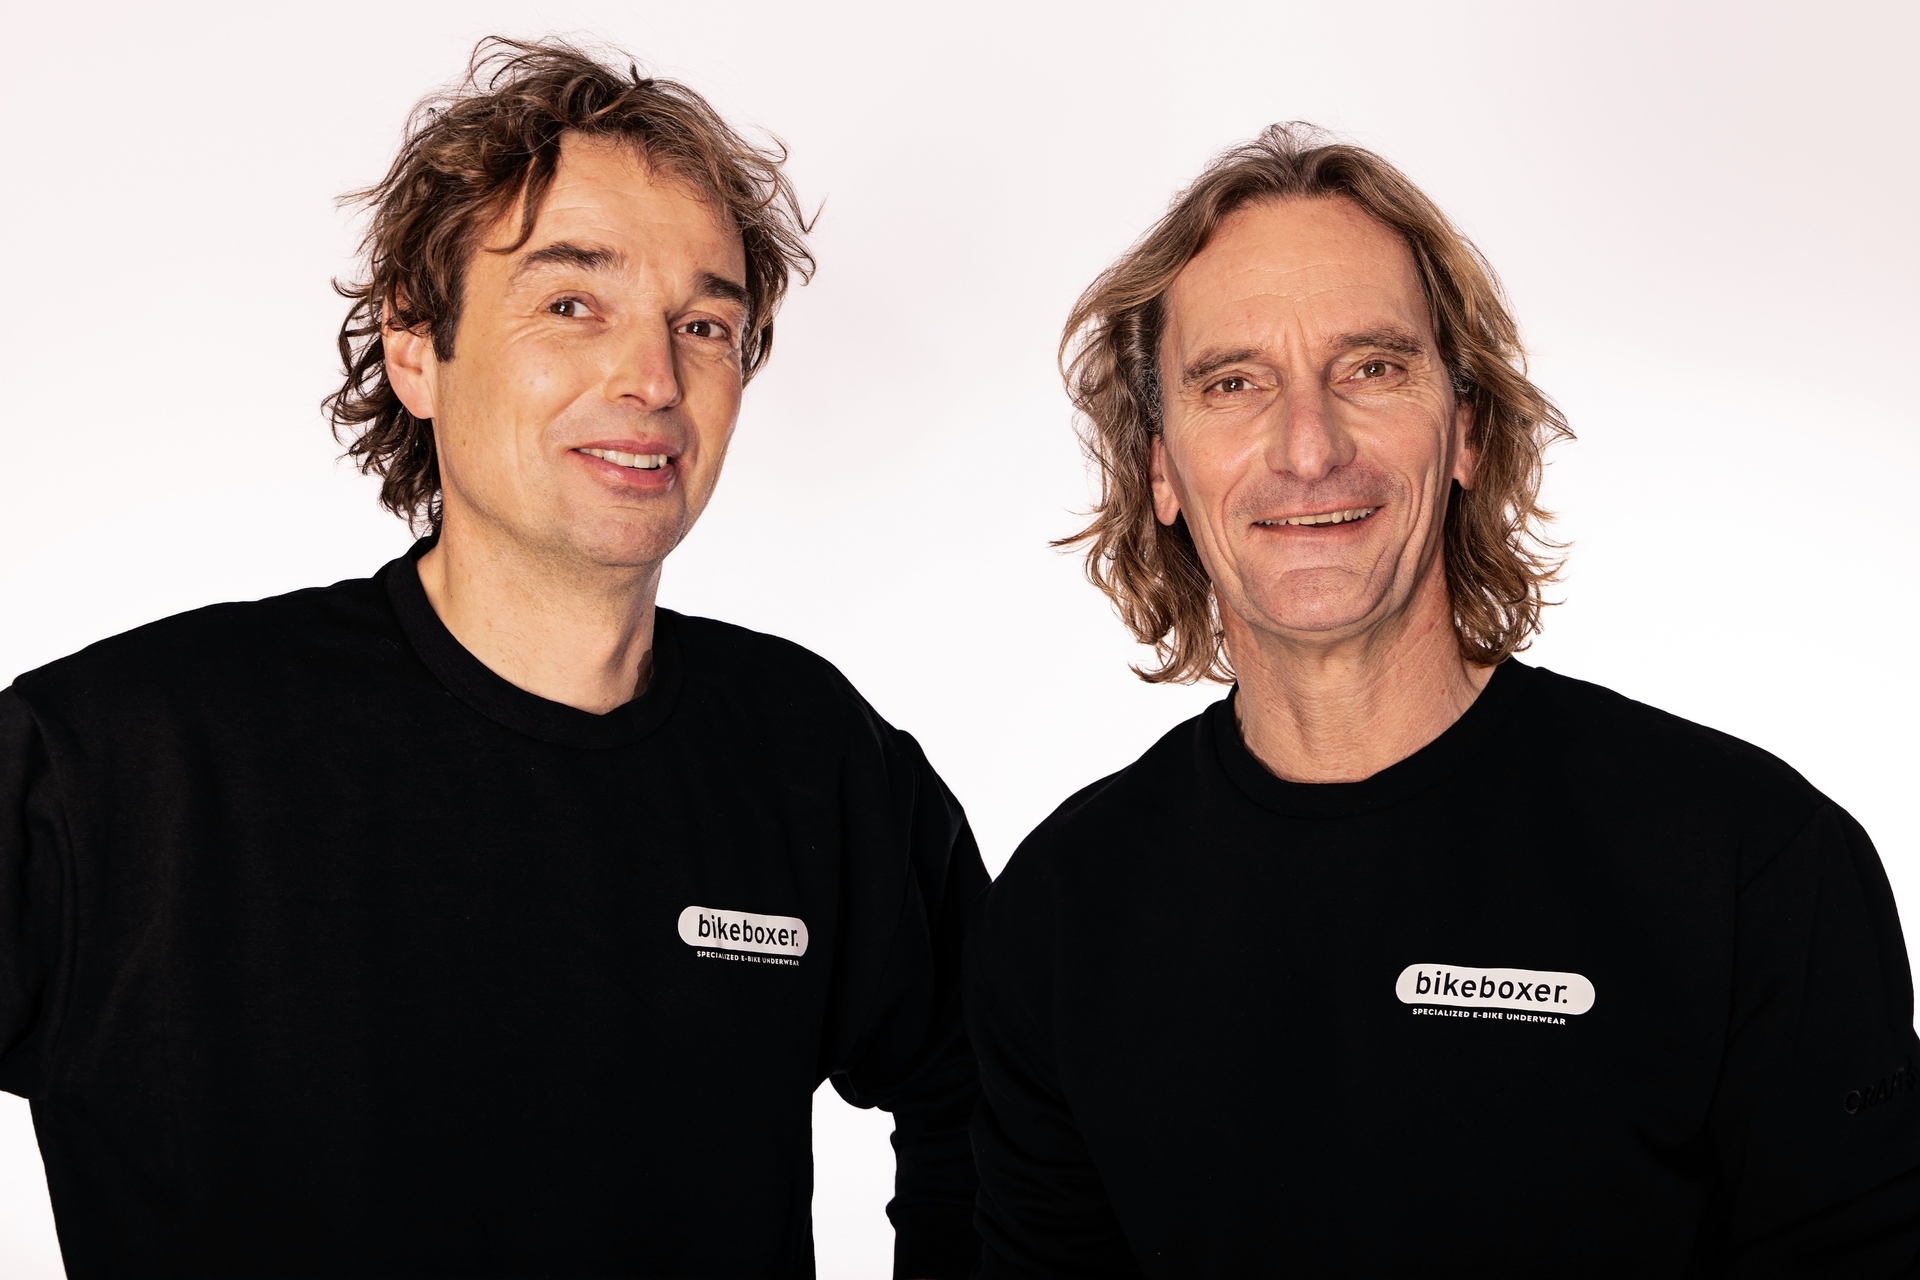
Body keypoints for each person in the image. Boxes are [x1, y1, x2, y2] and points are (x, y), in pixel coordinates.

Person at [0, 38, 984, 1279]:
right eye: (572, 303)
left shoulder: (814, 758)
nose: (652, 378)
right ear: (417, 348)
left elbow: (998, 1095)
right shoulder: (117, 757)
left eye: (703, 323)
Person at [965, 124, 1920, 1276]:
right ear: (1161, 466)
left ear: (1466, 428)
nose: (1308, 447)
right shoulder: (1062, 916)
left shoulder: (1750, 863)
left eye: (1371, 368)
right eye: (1233, 382)